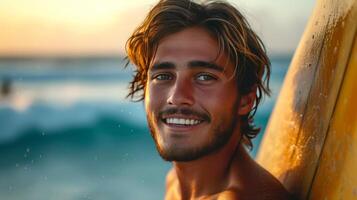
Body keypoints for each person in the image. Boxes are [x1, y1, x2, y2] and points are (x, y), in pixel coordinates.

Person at [125, 0, 291, 199]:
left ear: (245, 99)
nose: (176, 97)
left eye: (204, 77)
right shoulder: (176, 183)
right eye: (163, 76)